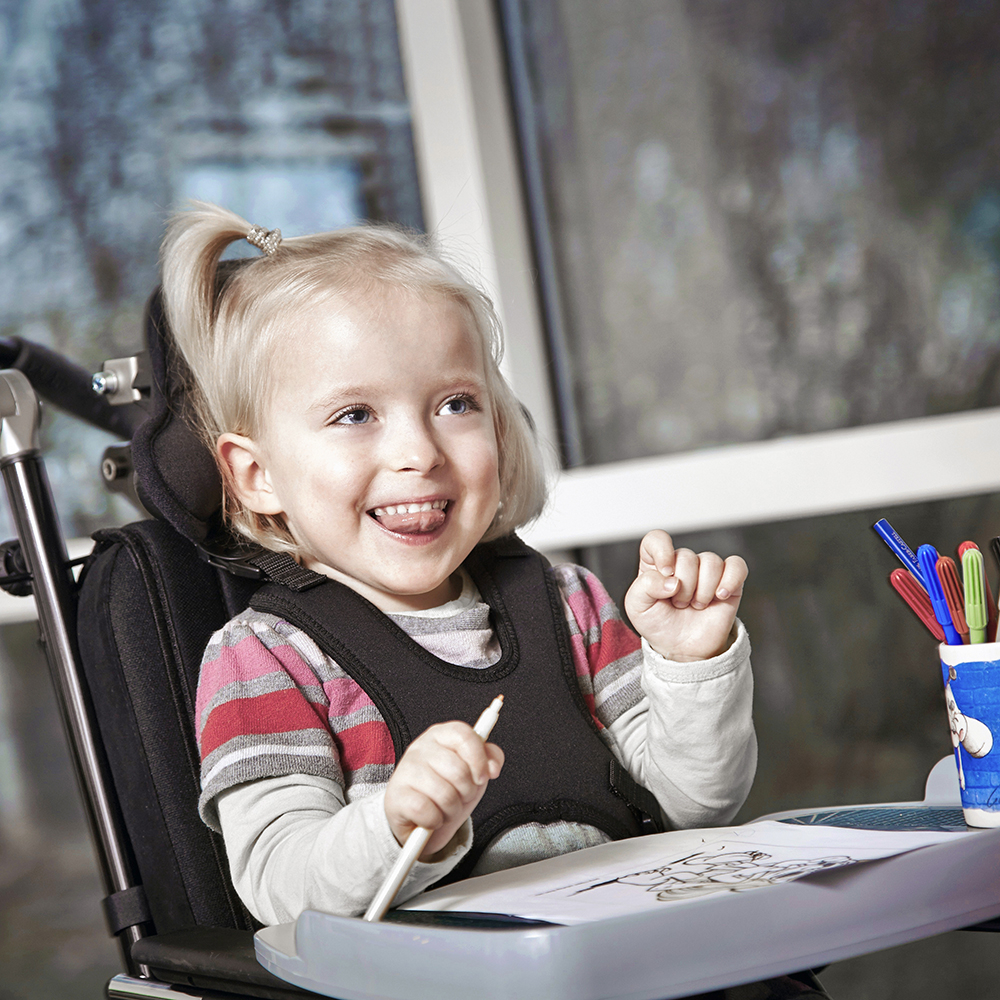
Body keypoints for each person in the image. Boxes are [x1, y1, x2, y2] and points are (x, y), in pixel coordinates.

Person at [166, 201, 828, 999]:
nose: (418, 451)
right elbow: (278, 886)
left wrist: (690, 667)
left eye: (455, 404)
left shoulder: (569, 602)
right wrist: (396, 823)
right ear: (255, 474)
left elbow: (695, 803)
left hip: (642, 966)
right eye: (355, 415)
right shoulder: (263, 659)